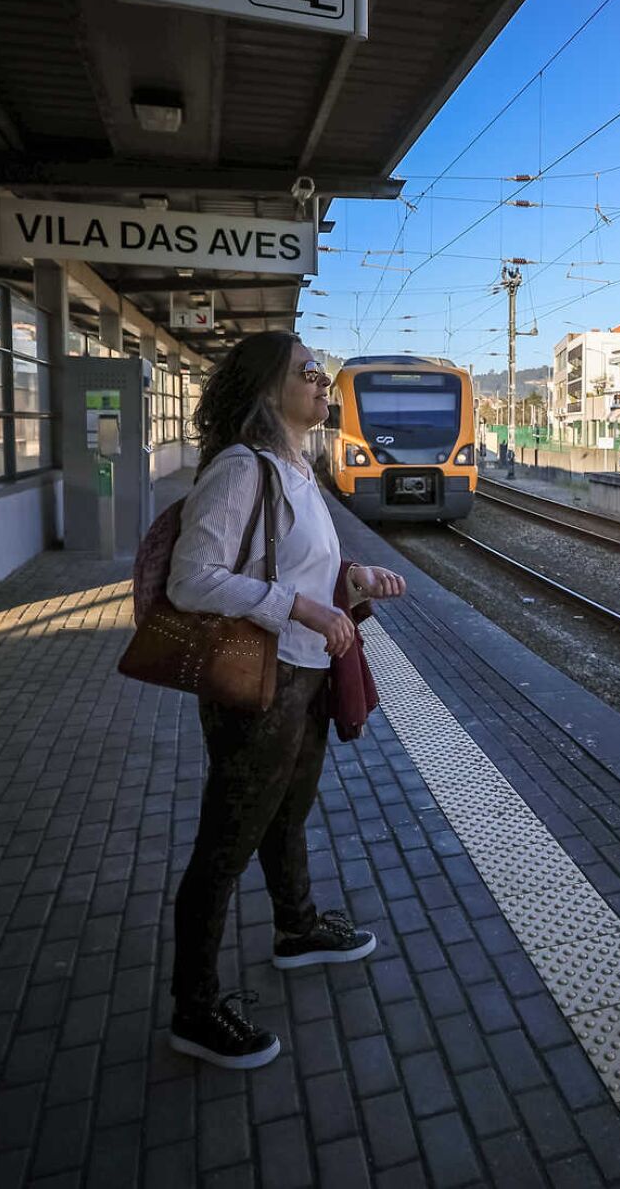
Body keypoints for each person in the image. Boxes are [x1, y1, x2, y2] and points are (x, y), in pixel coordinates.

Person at [164, 332, 406, 1069]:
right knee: (226, 841)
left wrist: (351, 581)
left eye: (323, 374)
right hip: (259, 680)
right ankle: (194, 1007)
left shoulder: (294, 467)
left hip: (304, 676)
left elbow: (299, 564)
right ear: (270, 389)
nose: (323, 383)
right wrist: (300, 610)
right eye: (309, 373)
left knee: (286, 813)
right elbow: (191, 578)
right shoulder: (242, 469)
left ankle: (296, 928)